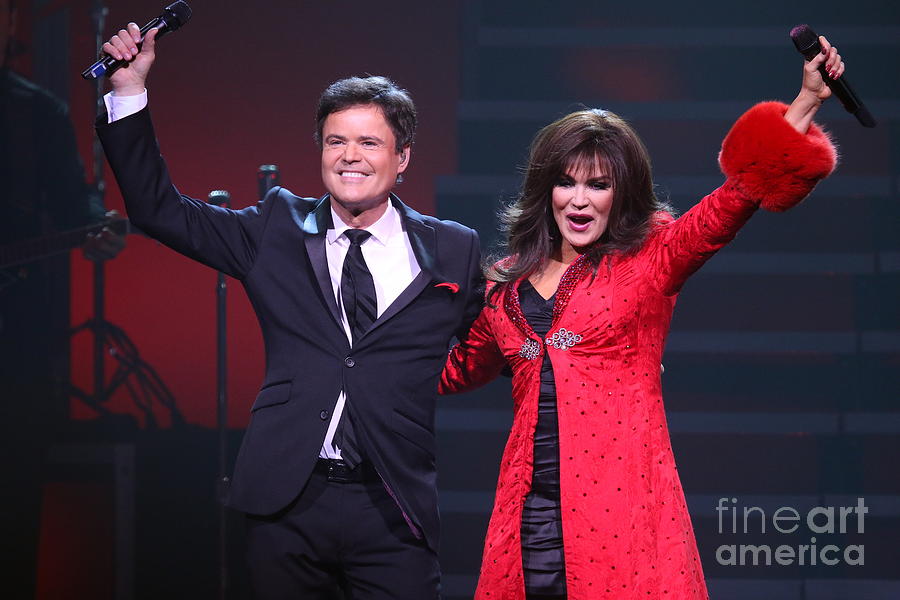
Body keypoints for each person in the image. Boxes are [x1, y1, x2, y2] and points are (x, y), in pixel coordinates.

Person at [439, 37, 843, 599]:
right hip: (528, 521)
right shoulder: (505, 288)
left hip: (622, 515)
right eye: (567, 182)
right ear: (545, 189)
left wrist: (804, 102)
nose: (580, 200)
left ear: (619, 194)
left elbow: (729, 204)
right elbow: (454, 369)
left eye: (598, 185)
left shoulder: (649, 261)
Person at [96, 23, 482, 599]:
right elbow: (157, 210)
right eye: (335, 142)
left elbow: (493, 336)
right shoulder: (276, 228)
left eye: (369, 143)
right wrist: (127, 92)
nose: (349, 157)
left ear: (403, 158)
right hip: (287, 502)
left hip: (392, 504)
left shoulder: (453, 247)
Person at [0, 0, 124, 596]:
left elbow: (80, 206)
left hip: (14, 339)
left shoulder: (35, 112)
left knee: (15, 495)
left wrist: (99, 228)